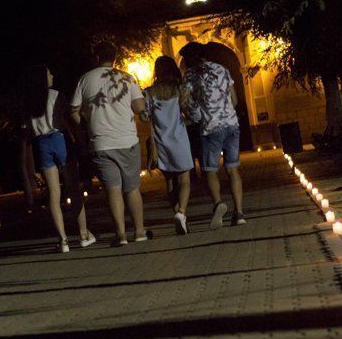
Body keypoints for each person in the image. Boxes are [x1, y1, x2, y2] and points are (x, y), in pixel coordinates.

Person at [71, 41, 150, 246]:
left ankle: (121, 235)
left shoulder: (85, 79)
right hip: (127, 141)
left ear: (96, 57)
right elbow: (139, 106)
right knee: (132, 189)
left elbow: (73, 111)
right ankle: (139, 231)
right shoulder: (127, 78)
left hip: (101, 143)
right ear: (114, 58)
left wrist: (86, 123)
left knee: (113, 190)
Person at [25, 65, 95, 253]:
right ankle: (83, 234)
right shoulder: (56, 95)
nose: (52, 75)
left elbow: (28, 130)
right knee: (73, 188)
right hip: (59, 139)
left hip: (41, 143)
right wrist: (79, 140)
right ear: (42, 77)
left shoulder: (30, 101)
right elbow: (66, 120)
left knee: (54, 194)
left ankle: (63, 240)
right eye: (48, 72)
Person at [180, 42, 246, 229]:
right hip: (232, 125)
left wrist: (196, 118)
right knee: (233, 169)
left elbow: (187, 104)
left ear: (190, 58)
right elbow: (234, 99)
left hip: (210, 128)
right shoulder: (222, 69)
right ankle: (239, 213)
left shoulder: (190, 75)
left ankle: (218, 203)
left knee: (210, 170)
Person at [144, 55, 194, 235]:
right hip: (179, 138)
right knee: (185, 180)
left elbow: (144, 117)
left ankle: (178, 216)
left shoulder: (148, 92)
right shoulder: (180, 89)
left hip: (160, 141)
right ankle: (181, 213)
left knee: (170, 182)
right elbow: (189, 111)